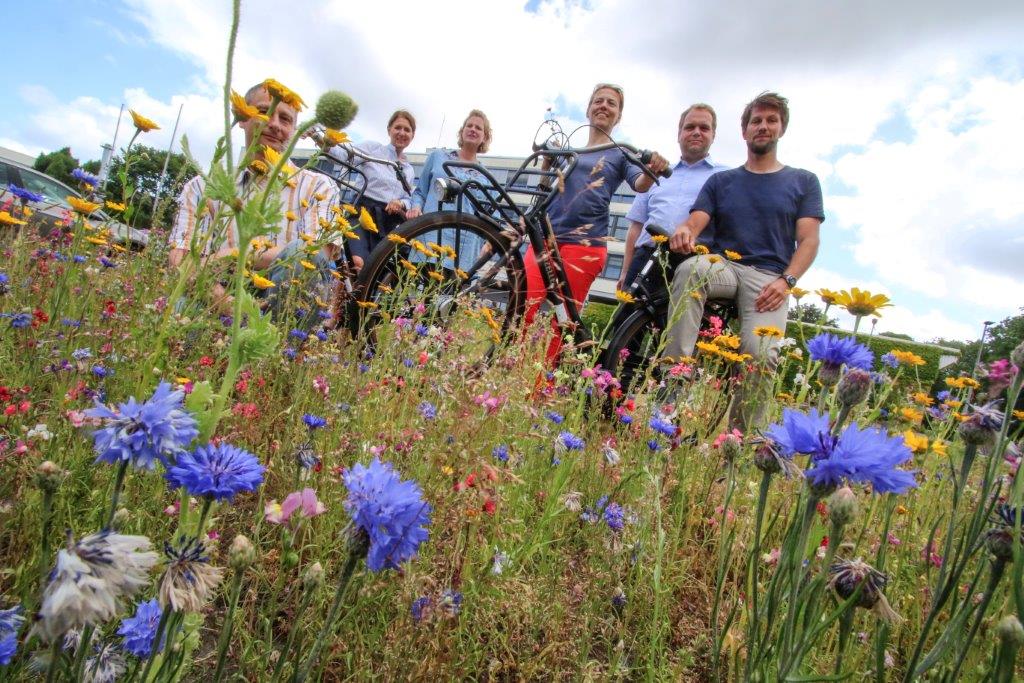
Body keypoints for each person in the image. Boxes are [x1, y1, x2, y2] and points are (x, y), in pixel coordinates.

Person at [666, 91, 823, 429]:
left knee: (761, 355)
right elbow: (696, 221)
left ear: (781, 128)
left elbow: (809, 240)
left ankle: (741, 440)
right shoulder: (721, 181)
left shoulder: (803, 182)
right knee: (691, 268)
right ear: (744, 131)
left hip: (768, 278)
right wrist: (684, 232)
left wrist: (787, 282)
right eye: (756, 121)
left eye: (771, 120)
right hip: (724, 266)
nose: (763, 126)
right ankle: (674, 382)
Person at [168, 82, 342, 321]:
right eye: (263, 111)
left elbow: (313, 255)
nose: (273, 124)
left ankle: (277, 355)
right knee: (179, 311)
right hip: (212, 293)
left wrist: (225, 257)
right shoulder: (202, 186)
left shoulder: (318, 187)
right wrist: (225, 303)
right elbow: (181, 260)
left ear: (293, 130)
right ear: (242, 117)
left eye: (285, 119)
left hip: (283, 299)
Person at [525, 83, 668, 361]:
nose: (604, 106)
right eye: (598, 101)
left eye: (611, 103)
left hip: (585, 245)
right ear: (589, 109)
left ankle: (542, 389)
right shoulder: (569, 148)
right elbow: (543, 189)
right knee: (524, 308)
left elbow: (639, 183)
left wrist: (652, 170)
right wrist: (546, 162)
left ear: (619, 116)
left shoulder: (620, 152)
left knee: (562, 321)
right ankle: (513, 377)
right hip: (546, 239)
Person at [618, 104, 727, 291]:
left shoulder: (726, 176)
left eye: (704, 128)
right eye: (690, 127)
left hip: (693, 262)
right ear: (679, 134)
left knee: (680, 319)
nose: (696, 132)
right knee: (626, 319)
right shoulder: (656, 174)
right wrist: (625, 271)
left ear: (713, 135)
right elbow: (636, 225)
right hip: (645, 259)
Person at [404, 109, 494, 271]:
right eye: (469, 125)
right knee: (416, 291)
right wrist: (416, 207)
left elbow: (492, 213)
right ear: (462, 131)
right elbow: (420, 192)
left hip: (464, 247)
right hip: (430, 235)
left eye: (479, 128)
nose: (473, 129)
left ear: (485, 137)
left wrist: (489, 241)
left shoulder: (485, 176)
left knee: (451, 294)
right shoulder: (438, 157)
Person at [344, 110, 416, 262]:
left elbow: (409, 198)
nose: (402, 133)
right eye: (398, 127)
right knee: (358, 262)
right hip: (361, 212)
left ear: (412, 135)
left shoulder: (409, 169)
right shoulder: (373, 149)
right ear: (389, 129)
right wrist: (324, 141)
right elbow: (345, 154)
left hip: (387, 222)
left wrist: (400, 202)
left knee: (375, 271)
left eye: (407, 130)